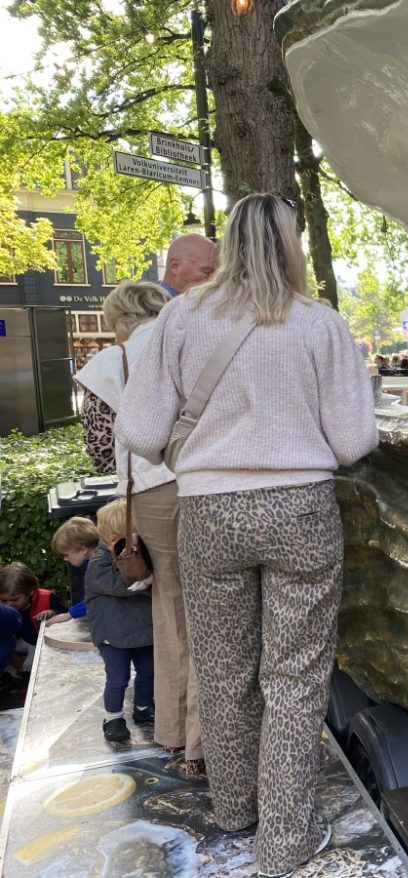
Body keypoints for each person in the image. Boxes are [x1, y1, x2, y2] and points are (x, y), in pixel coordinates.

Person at [116, 192, 378, 878]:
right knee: (294, 678)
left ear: (227, 244)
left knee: (224, 669)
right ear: (292, 246)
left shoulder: (183, 315)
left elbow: (140, 431)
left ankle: (235, 811)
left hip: (210, 513)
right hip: (300, 512)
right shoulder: (320, 324)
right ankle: (287, 838)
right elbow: (354, 442)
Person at [74, 280, 205, 777]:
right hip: (204, 478)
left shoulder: (111, 364)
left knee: (171, 608)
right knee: (210, 608)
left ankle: (178, 739)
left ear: (119, 319)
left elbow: (102, 448)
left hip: (151, 492)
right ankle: (203, 738)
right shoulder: (188, 343)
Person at [87, 499, 155, 743]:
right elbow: (123, 586)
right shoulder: (100, 561)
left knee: (149, 671)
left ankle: (144, 707)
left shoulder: (140, 554)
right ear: (107, 537)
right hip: (113, 635)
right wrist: (146, 582)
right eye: (119, 537)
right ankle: (113, 717)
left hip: (143, 631)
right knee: (117, 678)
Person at [0, 562, 68, 661]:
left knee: (30, 664)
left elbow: (66, 614)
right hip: (21, 640)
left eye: (15, 600)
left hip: (39, 643)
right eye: (4, 600)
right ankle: (17, 672)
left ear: (31, 591)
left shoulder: (46, 597)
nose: (9, 605)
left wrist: (52, 612)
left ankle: (25, 673)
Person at [47, 517, 99, 625]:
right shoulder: (92, 562)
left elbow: (96, 598)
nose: (65, 559)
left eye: (66, 554)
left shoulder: (99, 567)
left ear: (83, 550)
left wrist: (69, 615)